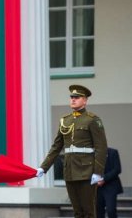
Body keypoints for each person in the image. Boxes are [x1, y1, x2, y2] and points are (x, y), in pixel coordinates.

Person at [36, 84, 108, 218]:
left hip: (87, 171)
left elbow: (101, 147)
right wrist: (43, 167)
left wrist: (98, 172)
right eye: (72, 97)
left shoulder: (92, 120)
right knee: (77, 211)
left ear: (85, 100)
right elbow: (56, 147)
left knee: (88, 211)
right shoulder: (65, 120)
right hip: (70, 170)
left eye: (77, 97)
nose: (73, 99)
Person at [97, 147, 123, 218]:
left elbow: (117, 169)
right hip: (97, 187)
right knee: (98, 212)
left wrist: (104, 178)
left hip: (111, 186)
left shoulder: (113, 152)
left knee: (111, 210)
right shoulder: (92, 154)